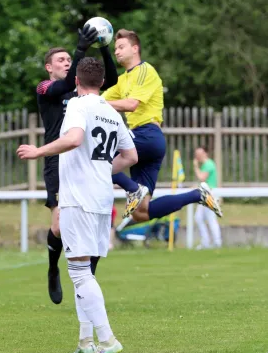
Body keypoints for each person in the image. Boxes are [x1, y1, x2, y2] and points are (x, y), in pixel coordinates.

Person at [17, 57, 137, 353]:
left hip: (78, 198)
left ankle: (107, 340)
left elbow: (73, 139)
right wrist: (104, 169)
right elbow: (131, 155)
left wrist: (38, 151)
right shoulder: (111, 110)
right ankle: (86, 341)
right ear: (100, 82)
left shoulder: (78, 106)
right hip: (100, 199)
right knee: (85, 271)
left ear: (76, 81)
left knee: (80, 273)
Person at [102, 29, 222, 222]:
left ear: (135, 48)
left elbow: (131, 104)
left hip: (146, 136)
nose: (116, 51)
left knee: (98, 161)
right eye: (115, 48)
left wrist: (96, 104)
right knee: (141, 213)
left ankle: (135, 190)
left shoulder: (144, 70)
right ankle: (197, 195)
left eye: (121, 47)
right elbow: (99, 99)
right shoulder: (122, 80)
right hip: (143, 143)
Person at [36, 25, 118, 305]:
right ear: (49, 67)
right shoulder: (47, 87)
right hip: (56, 162)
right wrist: (80, 49)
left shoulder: (79, 90)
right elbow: (64, 86)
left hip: (84, 165)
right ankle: (52, 268)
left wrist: (104, 46)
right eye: (61, 60)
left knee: (91, 224)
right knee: (58, 226)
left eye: (69, 60)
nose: (67, 62)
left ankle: (88, 278)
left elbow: (111, 80)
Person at [193, 147, 222, 249]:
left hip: (210, 194)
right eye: (196, 154)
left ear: (205, 153)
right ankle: (208, 241)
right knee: (199, 218)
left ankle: (215, 242)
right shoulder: (206, 164)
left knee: (209, 218)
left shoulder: (208, 164)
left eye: (199, 153)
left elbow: (202, 178)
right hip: (207, 193)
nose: (197, 156)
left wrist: (196, 166)